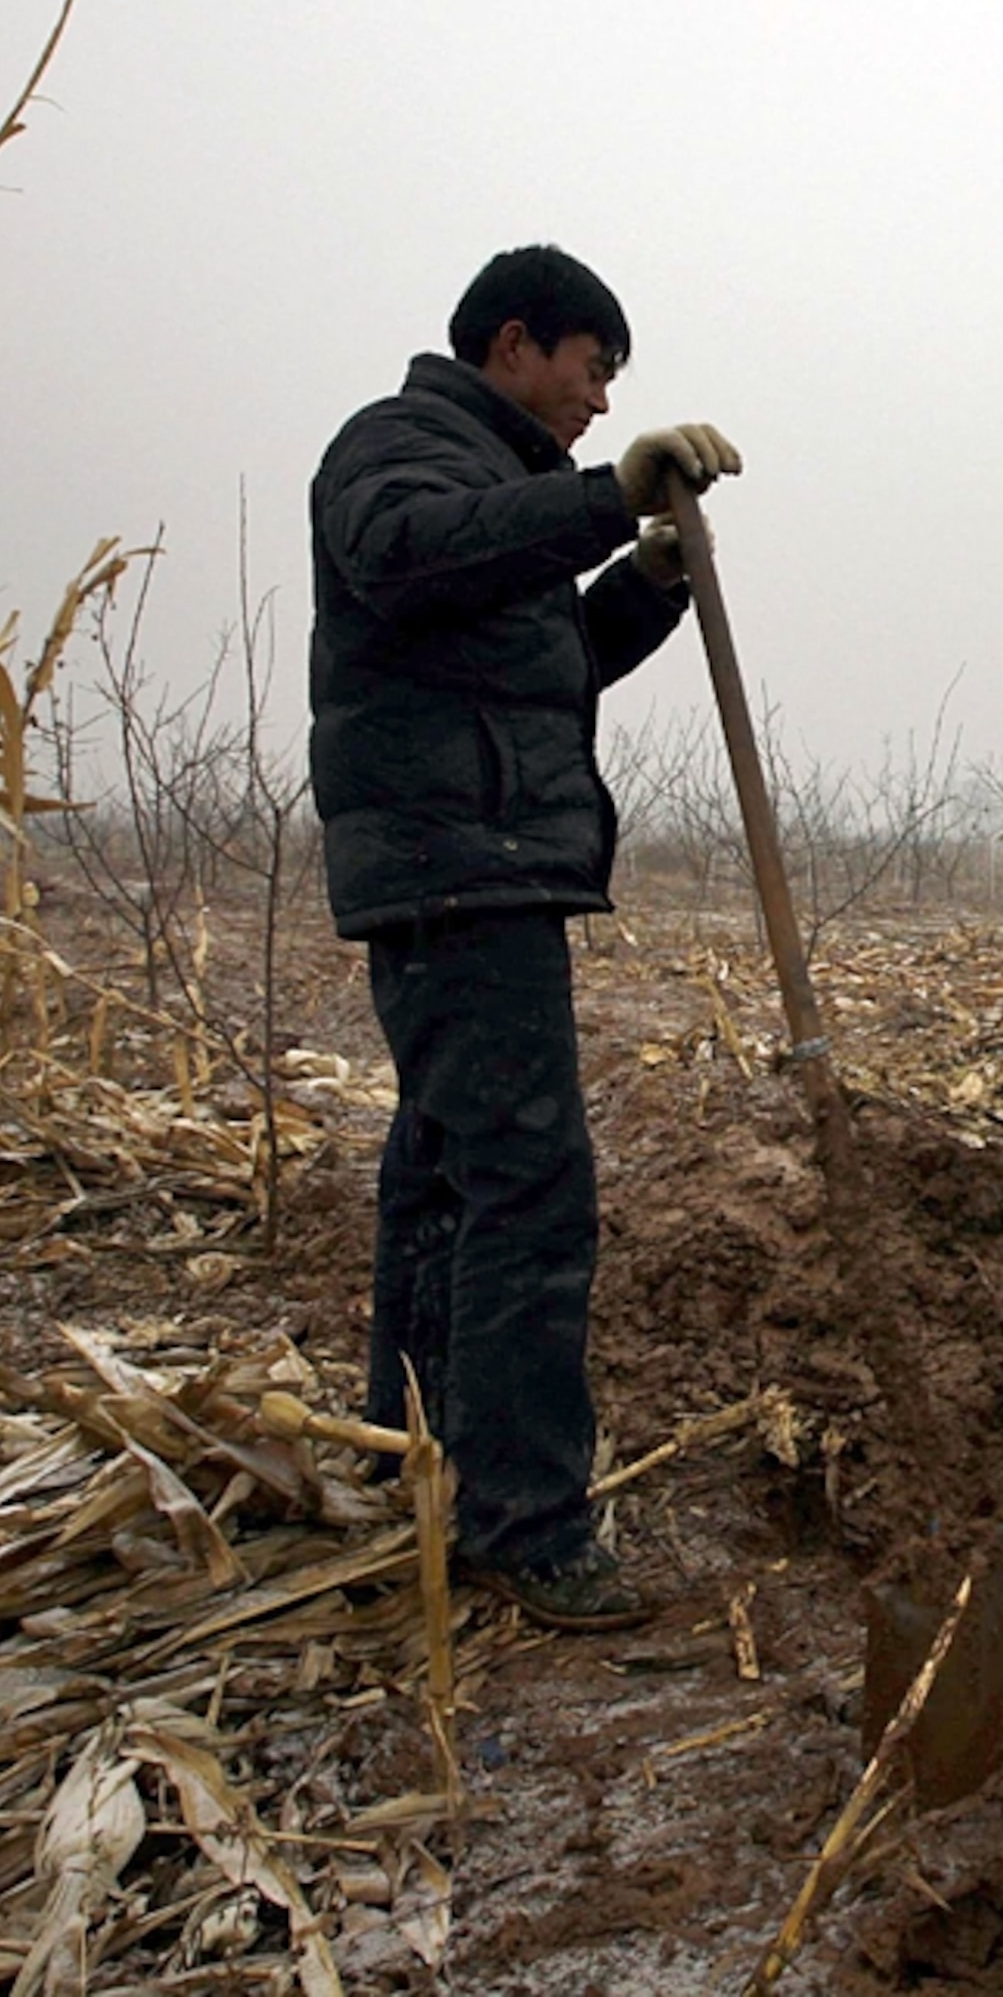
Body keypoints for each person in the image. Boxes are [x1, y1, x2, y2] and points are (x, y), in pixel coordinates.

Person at [308, 243, 739, 1630]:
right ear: (514, 343)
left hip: (479, 867)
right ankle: (529, 1523)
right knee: (530, 1189)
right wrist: (601, 504)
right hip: (456, 866)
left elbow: (540, 666)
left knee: (448, 1174)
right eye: (591, 368)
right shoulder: (405, 446)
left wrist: (648, 576)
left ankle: (419, 1445)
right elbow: (404, 557)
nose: (604, 402)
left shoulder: (501, 488)